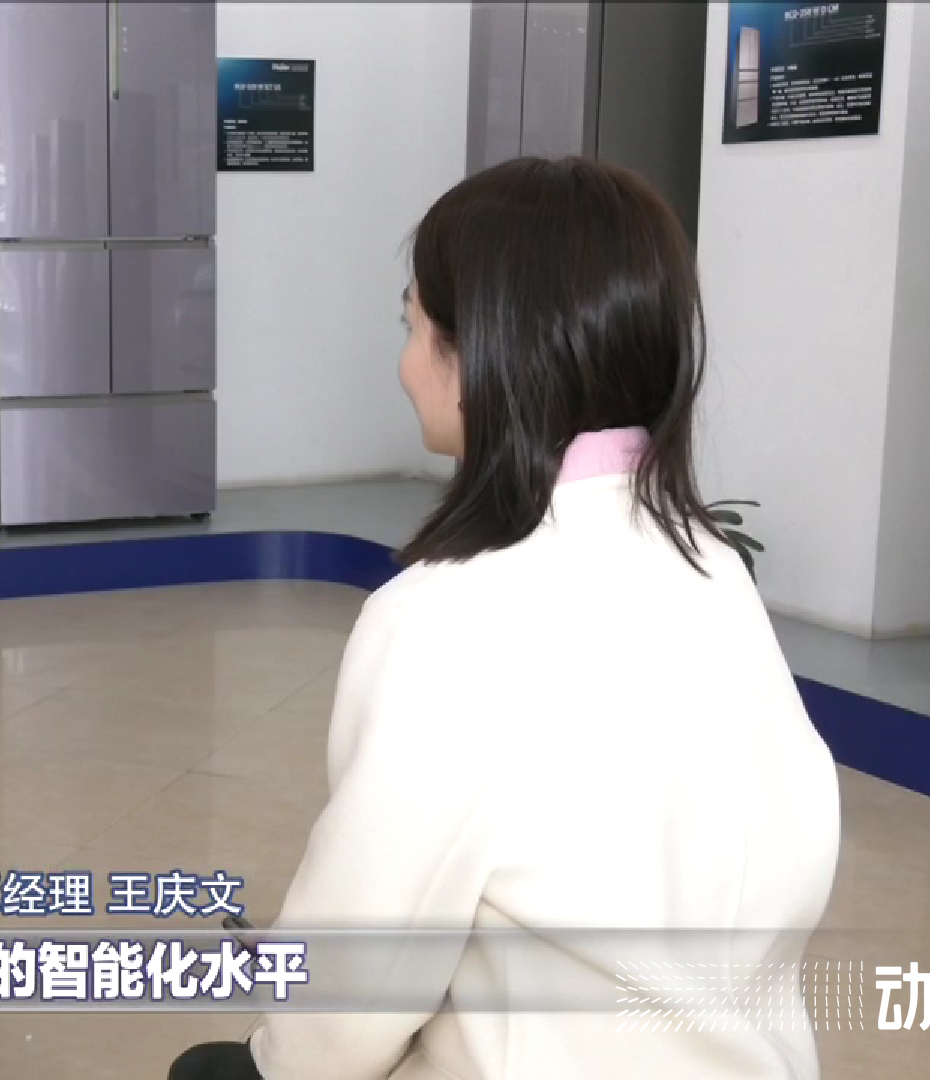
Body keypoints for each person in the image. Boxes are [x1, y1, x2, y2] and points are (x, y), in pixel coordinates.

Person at [169, 157, 842, 1079]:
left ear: (481, 353)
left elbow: (353, 985)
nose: (405, 364)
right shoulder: (713, 565)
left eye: (412, 326)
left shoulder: (447, 616)